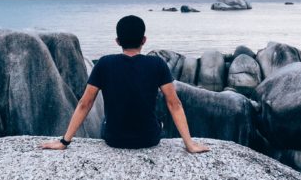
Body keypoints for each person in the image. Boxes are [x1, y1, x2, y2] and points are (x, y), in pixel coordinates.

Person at [39, 15, 210, 153]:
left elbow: (85, 103)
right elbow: (174, 104)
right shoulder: (157, 64)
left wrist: (64, 142)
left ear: (117, 41)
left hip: (114, 139)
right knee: (159, 120)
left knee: (106, 121)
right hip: (149, 139)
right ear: (144, 40)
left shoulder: (104, 63)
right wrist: (189, 144)